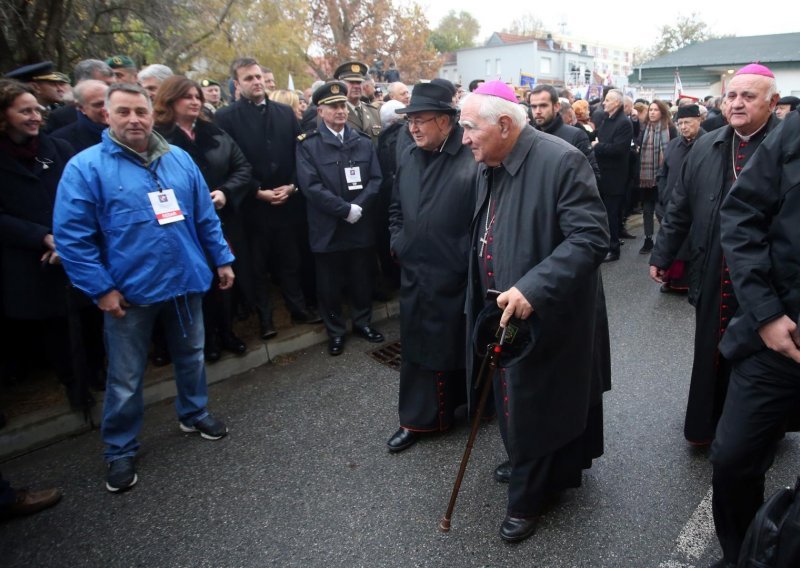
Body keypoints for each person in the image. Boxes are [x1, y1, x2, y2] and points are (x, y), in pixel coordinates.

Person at [53, 83, 235, 493]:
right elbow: (72, 238)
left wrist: (221, 258)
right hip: (129, 292)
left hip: (185, 281)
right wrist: (100, 289)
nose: (133, 119)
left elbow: (205, 216)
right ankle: (119, 448)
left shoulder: (179, 160)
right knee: (126, 376)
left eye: (140, 111)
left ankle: (193, 412)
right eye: (123, 112)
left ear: (152, 115)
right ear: (107, 116)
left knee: (190, 355)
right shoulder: (86, 168)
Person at [459, 81, 610, 543]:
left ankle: (528, 500)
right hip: (500, 312)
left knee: (534, 403)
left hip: (545, 311)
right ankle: (534, 468)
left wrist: (532, 287)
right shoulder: (492, 159)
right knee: (514, 400)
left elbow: (590, 238)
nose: (464, 138)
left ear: (503, 124)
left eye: (469, 128)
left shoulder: (562, 160)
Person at [649, 63, 780, 446]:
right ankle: (705, 425)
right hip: (712, 267)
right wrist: (663, 251)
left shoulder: (788, 147)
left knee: (758, 354)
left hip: (766, 277)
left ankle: (753, 428)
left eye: (748, 97)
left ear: (772, 103)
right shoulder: (708, 143)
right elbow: (681, 205)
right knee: (709, 350)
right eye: (732, 96)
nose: (736, 104)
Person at [710, 106, 800, 568]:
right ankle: (743, 554)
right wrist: (766, 314)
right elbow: (741, 215)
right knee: (733, 459)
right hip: (780, 337)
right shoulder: (793, 134)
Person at [384, 82, 478, 452]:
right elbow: (394, 207)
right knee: (419, 346)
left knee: (459, 344)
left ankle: (464, 406)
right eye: (410, 122)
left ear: (445, 121)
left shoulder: (471, 156)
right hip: (415, 271)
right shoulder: (407, 153)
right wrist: (398, 242)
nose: (413, 128)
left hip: (457, 275)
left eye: (420, 121)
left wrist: (465, 261)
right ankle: (418, 420)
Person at [0, 78, 95, 410]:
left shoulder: (57, 149)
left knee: (89, 314)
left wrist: (67, 236)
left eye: (36, 109)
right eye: (25, 111)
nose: (35, 117)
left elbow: (82, 195)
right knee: (54, 326)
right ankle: (72, 385)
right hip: (30, 256)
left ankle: (96, 376)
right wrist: (41, 236)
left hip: (73, 245)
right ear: (4, 115)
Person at [215, 57, 320, 339]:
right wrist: (255, 190)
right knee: (257, 268)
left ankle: (298, 310)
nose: (257, 82)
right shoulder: (225, 117)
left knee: (290, 261)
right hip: (253, 206)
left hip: (286, 202)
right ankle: (266, 320)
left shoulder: (285, 113)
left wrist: (293, 186)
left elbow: (302, 154)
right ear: (237, 84)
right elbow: (229, 164)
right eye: (249, 78)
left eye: (259, 76)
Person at [153, 76, 253, 361]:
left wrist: (225, 192)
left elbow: (242, 167)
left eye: (197, 96)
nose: (195, 101)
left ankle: (227, 333)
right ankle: (204, 341)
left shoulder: (215, 132)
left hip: (222, 217)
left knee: (225, 278)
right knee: (197, 283)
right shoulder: (156, 137)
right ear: (170, 101)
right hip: (181, 224)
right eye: (187, 97)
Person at [295, 81, 384, 356]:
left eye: (343, 105)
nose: (340, 111)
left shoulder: (362, 141)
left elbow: (376, 179)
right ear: (320, 111)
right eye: (333, 106)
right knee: (329, 285)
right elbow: (310, 187)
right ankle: (335, 331)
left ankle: (362, 323)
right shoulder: (308, 145)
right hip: (328, 227)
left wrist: (358, 206)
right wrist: (343, 209)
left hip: (358, 224)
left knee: (360, 279)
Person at [654, 104, 705, 293]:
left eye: (688, 122)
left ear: (699, 120)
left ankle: (689, 282)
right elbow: (663, 172)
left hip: (695, 206)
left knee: (691, 245)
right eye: (680, 123)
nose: (683, 127)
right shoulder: (674, 144)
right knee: (671, 240)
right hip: (670, 203)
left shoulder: (708, 143)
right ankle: (671, 279)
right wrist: (663, 192)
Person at [528, 85, 601, 187]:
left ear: (556, 106)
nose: (538, 111)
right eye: (534, 106)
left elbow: (591, 176)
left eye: (543, 105)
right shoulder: (529, 136)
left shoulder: (576, 136)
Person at [592, 89, 632, 263]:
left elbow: (619, 149)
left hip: (614, 177)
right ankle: (604, 245)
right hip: (603, 174)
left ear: (617, 103)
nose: (604, 103)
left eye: (607, 100)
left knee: (611, 215)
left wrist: (597, 146)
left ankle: (613, 248)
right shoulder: (606, 120)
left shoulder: (624, 123)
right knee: (603, 214)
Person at [636, 100, 676, 255]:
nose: (652, 112)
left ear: (662, 112)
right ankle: (648, 239)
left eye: (656, 110)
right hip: (646, 176)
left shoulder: (670, 129)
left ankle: (666, 238)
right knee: (647, 209)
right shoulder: (644, 128)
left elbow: (673, 152)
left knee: (663, 210)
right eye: (650, 110)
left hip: (663, 175)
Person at [50, 80, 109, 152]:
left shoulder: (125, 129)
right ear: (81, 107)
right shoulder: (61, 140)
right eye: (98, 105)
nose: (106, 108)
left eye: (109, 102)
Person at [334, 61, 381, 144]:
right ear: (340, 85)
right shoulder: (333, 113)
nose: (356, 86)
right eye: (351, 82)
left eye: (359, 82)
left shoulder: (373, 112)